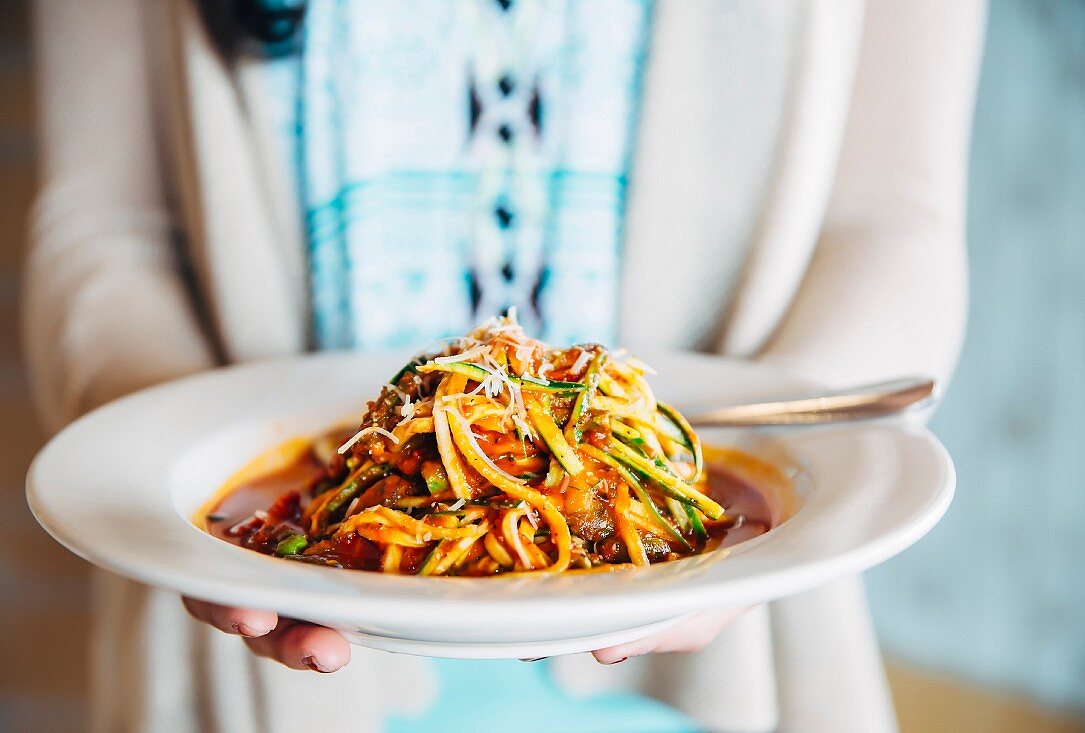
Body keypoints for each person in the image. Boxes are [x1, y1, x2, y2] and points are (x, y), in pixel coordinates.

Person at [24, 0, 985, 731]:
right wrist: (173, 484)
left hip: (730, 670)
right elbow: (104, 233)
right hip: (254, 681)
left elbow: (891, 220)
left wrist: (767, 537)